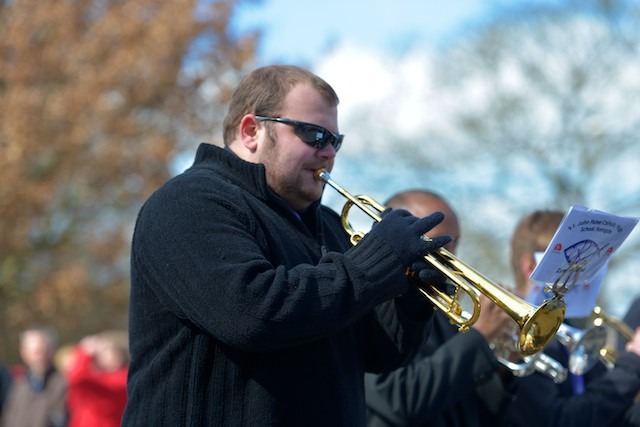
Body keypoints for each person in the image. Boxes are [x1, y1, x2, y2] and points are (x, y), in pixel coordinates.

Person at [122, 64, 452, 426]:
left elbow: (376, 355)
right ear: (252, 131)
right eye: (313, 134)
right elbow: (252, 313)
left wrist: (411, 301)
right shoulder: (189, 201)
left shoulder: (327, 224)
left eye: (335, 141)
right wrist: (378, 259)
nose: (328, 152)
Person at [364, 189, 514, 427]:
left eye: (455, 243)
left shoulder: (446, 312)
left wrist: (502, 364)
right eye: (439, 241)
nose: (453, 256)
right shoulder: (368, 305)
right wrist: (480, 337)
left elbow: (469, 410)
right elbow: (398, 399)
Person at [501, 210, 640, 427]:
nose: (585, 276)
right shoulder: (514, 338)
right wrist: (633, 362)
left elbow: (611, 415)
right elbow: (560, 420)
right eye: (576, 264)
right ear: (531, 266)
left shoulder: (571, 332)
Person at [0, 326, 68, 427]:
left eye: (44, 350)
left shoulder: (63, 384)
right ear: (24, 352)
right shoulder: (18, 386)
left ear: (53, 350)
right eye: (35, 351)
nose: (40, 356)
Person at [65, 330, 129, 427]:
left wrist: (84, 352)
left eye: (104, 353)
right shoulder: (98, 377)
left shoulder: (122, 378)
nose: (98, 357)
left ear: (117, 356)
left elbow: (77, 378)